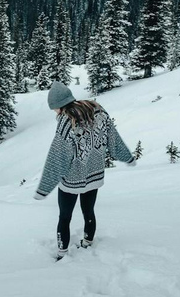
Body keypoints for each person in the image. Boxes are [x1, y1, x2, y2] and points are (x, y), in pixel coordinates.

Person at [34, 81, 135, 260]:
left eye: (54, 109)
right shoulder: (97, 110)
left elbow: (58, 156)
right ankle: (88, 242)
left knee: (64, 217)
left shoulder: (67, 121)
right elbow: (113, 137)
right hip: (94, 173)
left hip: (73, 178)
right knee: (88, 211)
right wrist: (127, 156)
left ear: (58, 105)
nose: (55, 112)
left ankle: (61, 253)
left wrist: (44, 188)